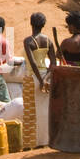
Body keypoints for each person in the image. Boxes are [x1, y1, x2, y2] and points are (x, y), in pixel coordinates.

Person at [22, 13, 54, 149]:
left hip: (32, 77)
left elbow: (33, 62)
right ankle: (46, 140)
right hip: (46, 77)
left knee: (30, 110)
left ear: (31, 24)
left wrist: (40, 80)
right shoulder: (48, 41)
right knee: (45, 109)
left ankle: (30, 143)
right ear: (43, 25)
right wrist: (46, 78)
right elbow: (53, 63)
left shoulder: (28, 41)